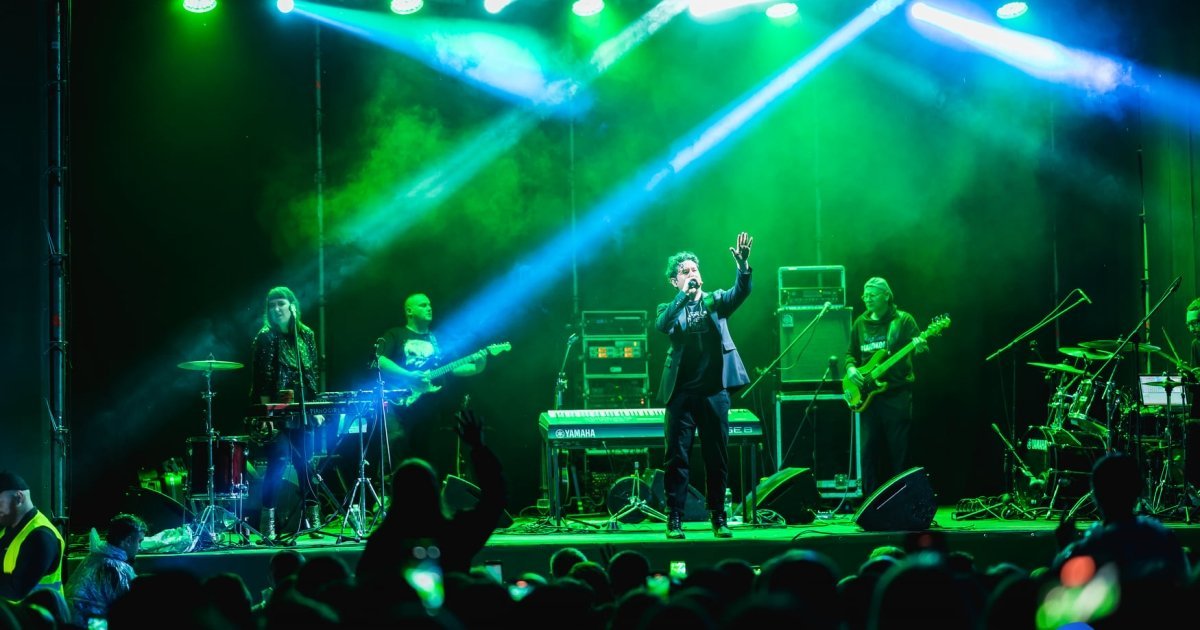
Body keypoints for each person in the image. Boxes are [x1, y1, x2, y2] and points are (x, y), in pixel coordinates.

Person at [655, 232, 754, 540]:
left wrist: (743, 267)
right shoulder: (670, 307)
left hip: (714, 391)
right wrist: (684, 297)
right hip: (681, 394)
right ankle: (675, 518)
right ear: (675, 281)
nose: (691, 274)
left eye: (694, 269)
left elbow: (741, 291)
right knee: (677, 458)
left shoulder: (716, 301)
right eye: (684, 272)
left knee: (717, 457)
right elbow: (662, 325)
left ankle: (719, 517)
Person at [356, 408, 507, 582]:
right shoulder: (455, 535)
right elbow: (495, 498)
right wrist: (478, 448)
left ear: (396, 494)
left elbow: (364, 584)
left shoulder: (381, 543)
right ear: (434, 491)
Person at [377, 293, 488, 478]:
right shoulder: (395, 334)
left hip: (427, 407)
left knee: (423, 454)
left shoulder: (437, 341)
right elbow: (380, 360)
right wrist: (409, 375)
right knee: (396, 444)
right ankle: (389, 491)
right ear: (409, 311)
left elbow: (453, 368)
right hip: (397, 403)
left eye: (429, 304)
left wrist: (478, 366)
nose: (429, 307)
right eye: (423, 305)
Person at [249, 286, 323, 540]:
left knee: (306, 463)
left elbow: (311, 374)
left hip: (301, 407)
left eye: (281, 303)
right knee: (278, 460)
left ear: (292, 306)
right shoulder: (265, 337)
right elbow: (262, 379)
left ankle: (313, 521)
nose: (276, 309)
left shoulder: (306, 335)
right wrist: (268, 416)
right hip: (275, 411)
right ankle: (267, 523)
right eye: (272, 305)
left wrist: (315, 408)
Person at [844, 277, 927, 498]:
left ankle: (904, 499)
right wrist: (851, 369)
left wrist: (920, 347)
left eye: (872, 295)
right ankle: (869, 502)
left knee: (900, 451)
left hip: (896, 394)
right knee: (868, 452)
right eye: (865, 295)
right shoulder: (860, 323)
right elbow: (850, 353)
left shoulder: (903, 320)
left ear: (886, 296)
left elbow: (923, 350)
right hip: (867, 396)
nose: (867, 299)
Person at [64, 513, 146, 626]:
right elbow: (132, 609)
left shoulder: (95, 558)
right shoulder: (118, 569)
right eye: (139, 541)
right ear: (128, 541)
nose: (140, 548)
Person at [0, 472, 65, 604]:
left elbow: (16, 590)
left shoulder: (41, 537)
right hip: (15, 615)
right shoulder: (8, 529)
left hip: (38, 615)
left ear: (19, 498)